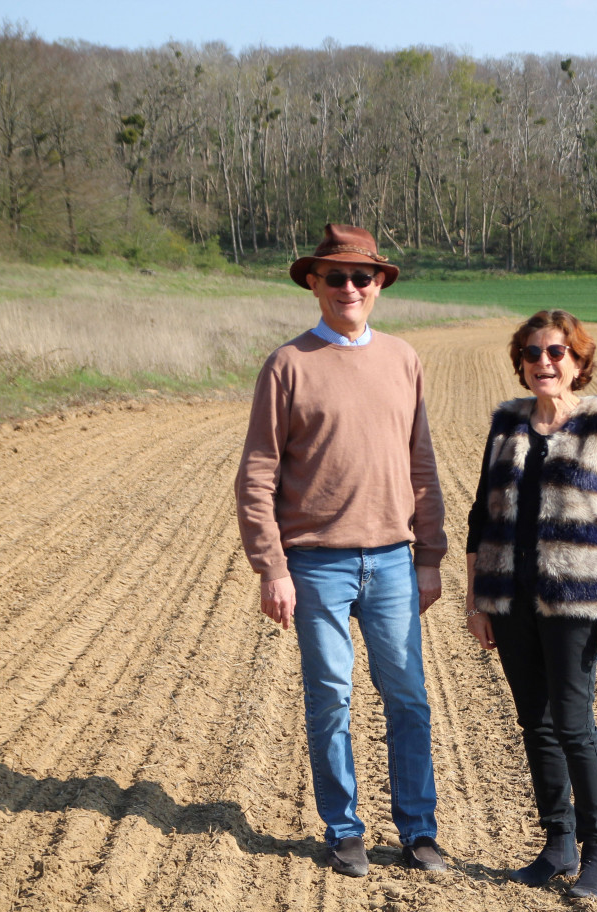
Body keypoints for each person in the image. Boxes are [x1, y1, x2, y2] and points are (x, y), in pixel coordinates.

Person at [235, 223, 448, 877]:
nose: (350, 287)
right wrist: (272, 567)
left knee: (408, 697)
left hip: (391, 561)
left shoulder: (403, 359)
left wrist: (431, 556)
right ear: (314, 284)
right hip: (316, 564)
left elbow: (422, 463)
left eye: (362, 276)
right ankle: (344, 830)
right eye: (336, 277)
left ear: (379, 284)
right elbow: (258, 473)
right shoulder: (288, 365)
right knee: (330, 697)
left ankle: (418, 832)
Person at [465, 309, 597, 899]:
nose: (544, 362)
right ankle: (557, 844)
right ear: (520, 362)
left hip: (575, 602)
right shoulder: (506, 424)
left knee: (572, 723)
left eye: (557, 352)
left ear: (578, 362)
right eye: (533, 353)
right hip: (509, 600)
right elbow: (481, 515)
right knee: (534, 724)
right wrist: (476, 600)